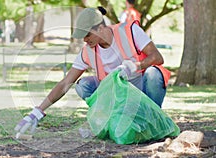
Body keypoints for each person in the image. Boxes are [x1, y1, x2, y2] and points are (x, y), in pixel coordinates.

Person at [15, 7, 170, 135]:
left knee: (154, 74)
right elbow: (65, 83)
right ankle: (107, 120)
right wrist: (37, 112)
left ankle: (153, 121)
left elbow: (157, 57)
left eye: (87, 34)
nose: (84, 39)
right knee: (82, 85)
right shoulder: (87, 51)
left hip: (141, 89)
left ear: (101, 28)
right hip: (119, 97)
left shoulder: (130, 31)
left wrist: (135, 66)